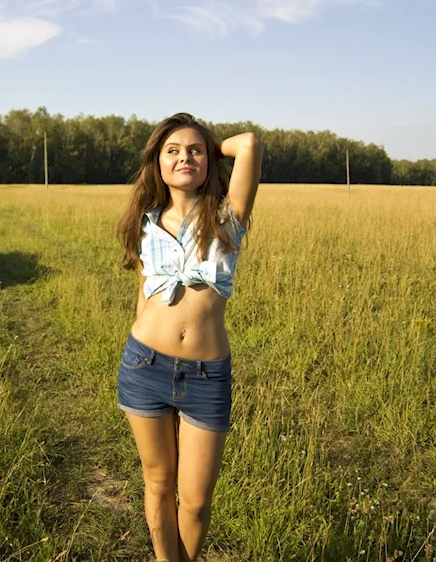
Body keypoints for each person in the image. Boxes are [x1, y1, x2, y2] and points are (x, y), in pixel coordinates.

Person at [116, 113, 262, 562]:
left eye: (194, 150)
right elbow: (144, 297)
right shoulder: (144, 224)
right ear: (156, 164)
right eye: (172, 151)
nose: (185, 157)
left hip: (206, 376)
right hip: (144, 366)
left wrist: (207, 149)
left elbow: (250, 143)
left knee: (196, 502)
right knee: (158, 484)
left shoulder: (227, 214)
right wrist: (189, 151)